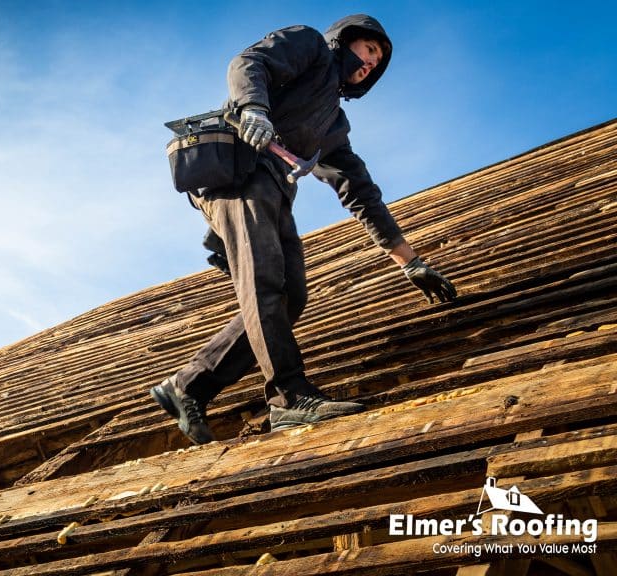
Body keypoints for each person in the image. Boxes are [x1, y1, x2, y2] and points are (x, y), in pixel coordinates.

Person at [152, 14, 457, 444]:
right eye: (369, 49)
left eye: (378, 61)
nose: (371, 62)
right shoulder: (310, 46)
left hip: (274, 192)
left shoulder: (333, 126)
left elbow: (361, 193)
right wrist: (253, 107)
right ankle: (290, 398)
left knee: (291, 295)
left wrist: (411, 263)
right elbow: (248, 63)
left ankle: (187, 386)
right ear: (346, 40)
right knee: (264, 282)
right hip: (238, 173)